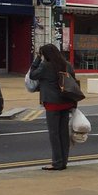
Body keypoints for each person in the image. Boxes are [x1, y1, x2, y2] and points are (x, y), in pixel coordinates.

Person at [29, 43, 77, 171]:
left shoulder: (45, 66)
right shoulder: (67, 64)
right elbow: (73, 81)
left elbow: (32, 75)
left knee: (54, 134)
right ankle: (63, 161)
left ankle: (57, 163)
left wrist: (37, 59)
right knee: (63, 133)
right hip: (66, 102)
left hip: (52, 104)